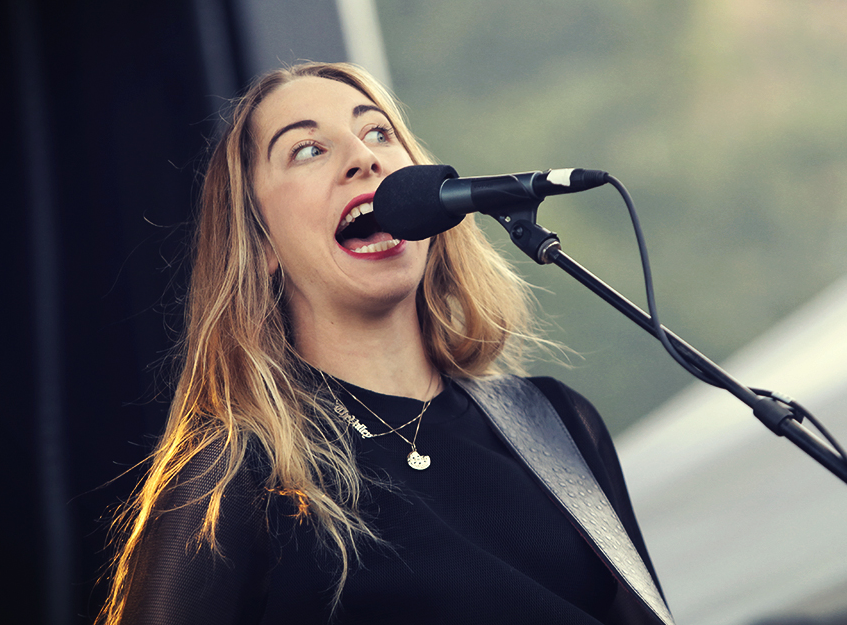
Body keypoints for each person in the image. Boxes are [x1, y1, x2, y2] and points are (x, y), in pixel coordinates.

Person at [99, 61, 666, 624]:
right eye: (307, 150)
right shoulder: (233, 476)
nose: (364, 158)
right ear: (261, 243)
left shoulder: (554, 421)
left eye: (377, 132)